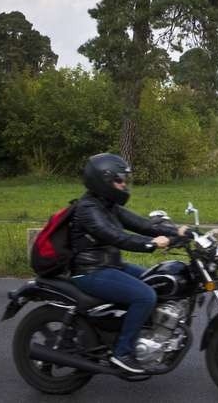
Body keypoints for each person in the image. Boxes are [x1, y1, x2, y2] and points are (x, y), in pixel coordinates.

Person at [69, 153, 189, 374]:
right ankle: (122, 353)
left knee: (157, 284)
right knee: (145, 295)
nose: (124, 184)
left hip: (111, 266)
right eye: (119, 180)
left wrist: (178, 231)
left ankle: (138, 334)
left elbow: (142, 224)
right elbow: (115, 236)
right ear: (102, 180)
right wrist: (151, 244)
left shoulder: (107, 205)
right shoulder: (87, 209)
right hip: (90, 271)